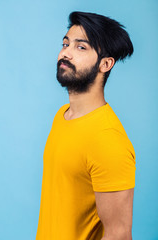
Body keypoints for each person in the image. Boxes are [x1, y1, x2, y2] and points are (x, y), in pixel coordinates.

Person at [36, 11, 136, 240]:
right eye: (65, 43)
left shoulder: (107, 140)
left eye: (81, 47)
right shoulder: (62, 115)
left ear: (105, 64)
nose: (65, 53)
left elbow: (118, 234)